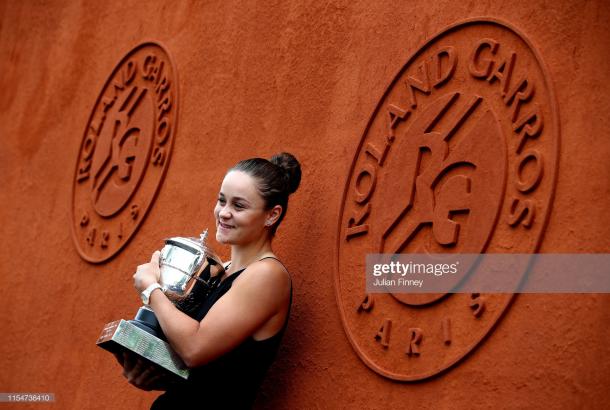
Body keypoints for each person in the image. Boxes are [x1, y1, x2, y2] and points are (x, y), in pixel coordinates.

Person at [115, 152, 301, 409]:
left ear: (272, 215)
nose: (224, 213)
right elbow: (206, 374)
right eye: (221, 201)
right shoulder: (220, 270)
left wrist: (151, 288)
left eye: (239, 206)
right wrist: (149, 371)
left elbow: (194, 348)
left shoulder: (267, 275)